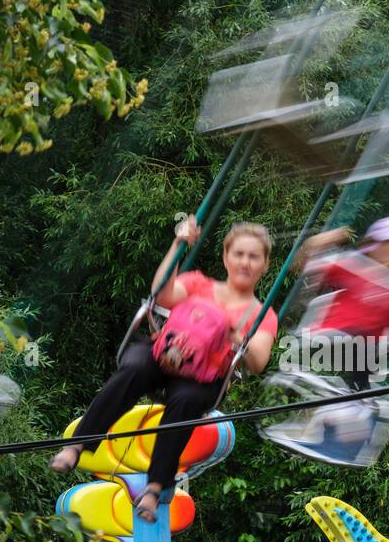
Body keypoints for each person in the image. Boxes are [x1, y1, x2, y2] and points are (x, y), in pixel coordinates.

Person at [50, 215, 279, 521]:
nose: (245, 263)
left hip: (205, 374)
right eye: (239, 254)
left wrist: (233, 333)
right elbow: (162, 292)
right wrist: (179, 244)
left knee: (186, 401)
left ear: (265, 265)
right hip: (165, 353)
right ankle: (78, 444)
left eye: (254, 257)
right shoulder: (199, 283)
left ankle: (155, 486)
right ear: (226, 257)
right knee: (133, 367)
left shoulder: (261, 313)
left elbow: (259, 361)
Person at [262, 211, 389, 466]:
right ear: (376, 246)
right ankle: (337, 417)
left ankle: (328, 435)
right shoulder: (353, 266)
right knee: (361, 353)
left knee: (368, 404)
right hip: (328, 340)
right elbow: (305, 261)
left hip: (360, 356)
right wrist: (325, 240)